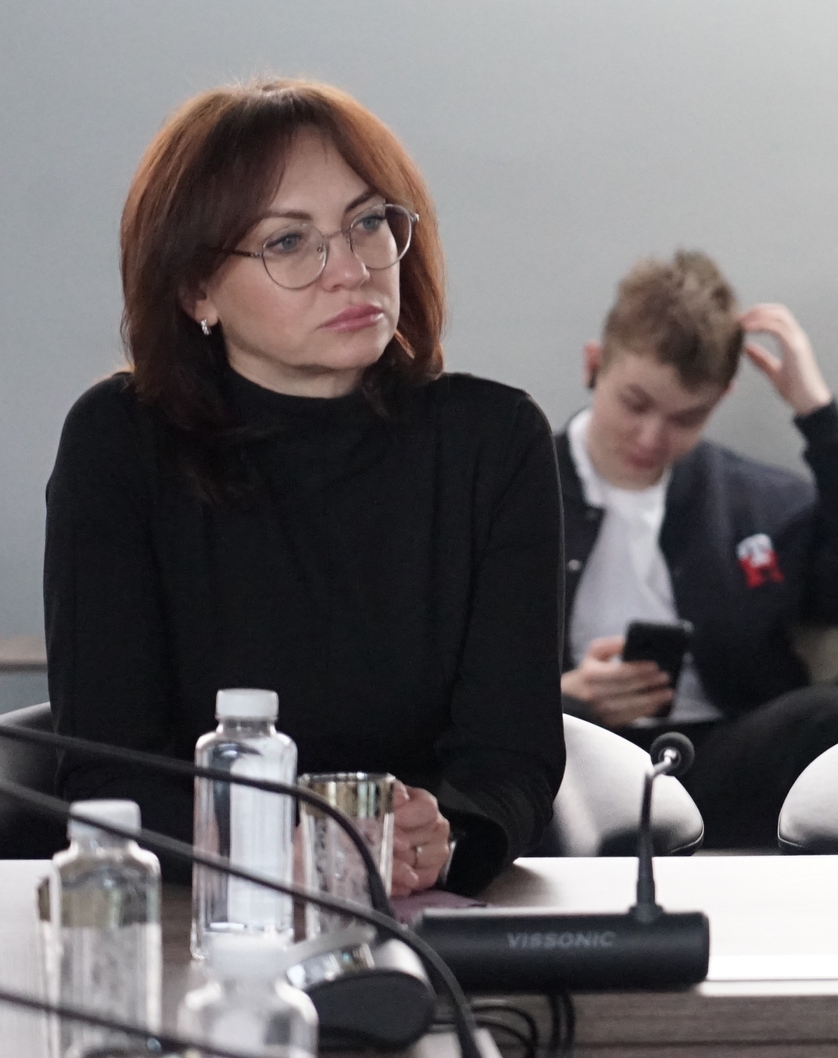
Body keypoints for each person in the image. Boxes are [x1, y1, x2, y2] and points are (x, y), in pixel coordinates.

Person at [45, 79, 565, 895]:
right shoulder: (120, 443)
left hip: (423, 915)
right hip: (203, 914)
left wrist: (445, 837)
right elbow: (107, 771)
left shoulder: (495, 443)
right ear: (197, 289)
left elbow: (511, 759)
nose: (352, 270)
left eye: (368, 222)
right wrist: (269, 855)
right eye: (288, 241)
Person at [555, 252, 838, 848]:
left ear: (720, 400)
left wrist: (819, 415)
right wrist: (564, 697)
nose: (652, 438)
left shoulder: (752, 503)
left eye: (687, 418)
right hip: (572, 759)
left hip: (714, 760)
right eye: (635, 403)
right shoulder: (515, 492)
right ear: (593, 364)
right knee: (540, 734)